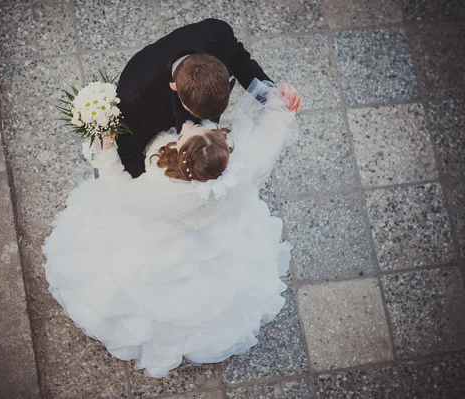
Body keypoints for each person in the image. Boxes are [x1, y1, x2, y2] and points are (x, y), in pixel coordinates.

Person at [43, 79, 299, 378]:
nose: (189, 126)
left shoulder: (163, 188)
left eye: (190, 133)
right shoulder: (236, 168)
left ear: (182, 156)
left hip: (162, 237)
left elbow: (119, 191)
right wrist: (281, 109)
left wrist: (107, 151)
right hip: (212, 233)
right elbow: (268, 140)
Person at [115, 18, 302, 178]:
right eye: (199, 118)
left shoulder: (216, 34)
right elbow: (129, 153)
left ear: (220, 65)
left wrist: (270, 94)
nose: (208, 125)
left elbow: (241, 62)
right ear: (174, 87)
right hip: (155, 114)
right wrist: (151, 185)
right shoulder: (134, 96)